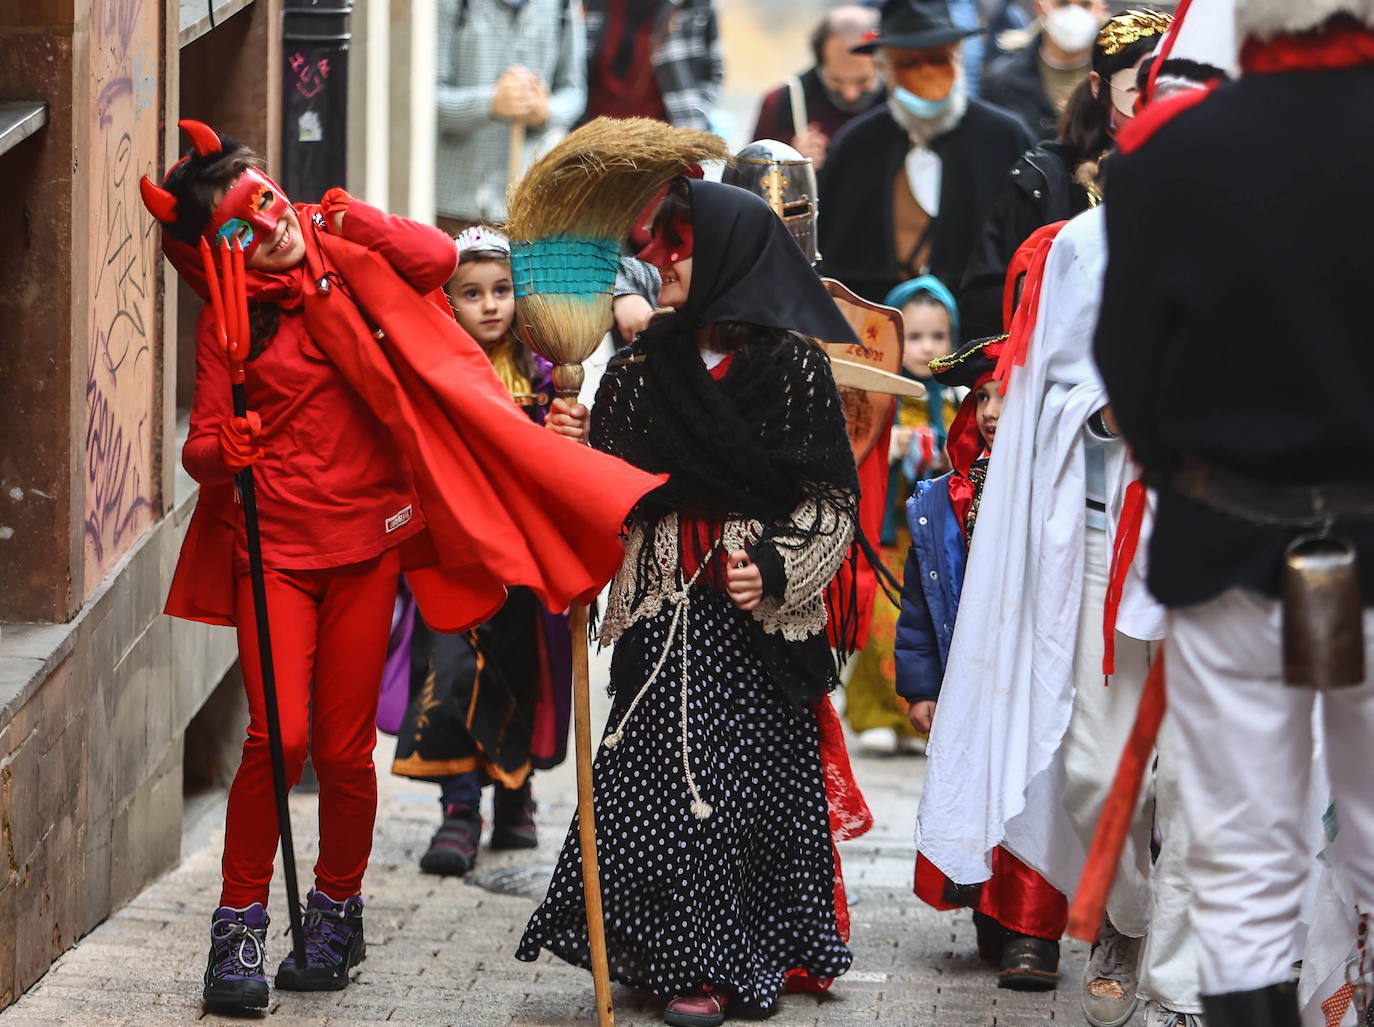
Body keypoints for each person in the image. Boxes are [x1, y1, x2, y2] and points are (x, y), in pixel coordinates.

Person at [141, 122, 659, 1014]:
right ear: (216, 256)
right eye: (240, 226)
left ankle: (337, 910)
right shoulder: (230, 328)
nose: (266, 227)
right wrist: (224, 449)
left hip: (367, 543)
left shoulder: (341, 252)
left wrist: (350, 216)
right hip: (274, 553)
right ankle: (237, 928)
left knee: (344, 751)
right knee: (280, 739)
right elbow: (198, 448)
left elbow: (434, 257)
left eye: (264, 200)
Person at [518, 178, 863, 1027]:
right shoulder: (638, 372)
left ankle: (742, 950)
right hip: (664, 613)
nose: (659, 260)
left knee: (743, 795)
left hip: (757, 625)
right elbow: (616, 492)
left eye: (680, 245)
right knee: (667, 792)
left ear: (735, 262)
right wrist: (573, 450)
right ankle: (686, 964)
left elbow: (830, 500)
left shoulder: (796, 371)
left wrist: (777, 569)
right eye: (659, 244)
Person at [1093, 3, 1374, 1024]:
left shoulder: (1173, 152)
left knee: (1244, 870)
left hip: (1229, 542)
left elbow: (1127, 362)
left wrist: (1194, 473)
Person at [895, 332, 1075, 990]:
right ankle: (990, 912)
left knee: (1035, 792)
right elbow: (918, 608)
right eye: (984, 396)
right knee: (975, 792)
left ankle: (1034, 930)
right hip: (970, 679)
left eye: (1009, 395)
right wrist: (920, 685)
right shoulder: (937, 502)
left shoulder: (1058, 494)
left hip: (1038, 676)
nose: (995, 411)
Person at [390, 227, 571, 876]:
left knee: (518, 677)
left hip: (522, 561)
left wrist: (565, 428)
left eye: (502, 290)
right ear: (449, 300)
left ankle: (515, 796)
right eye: (473, 293)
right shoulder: (431, 368)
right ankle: (459, 808)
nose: (491, 305)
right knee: (450, 677)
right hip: (452, 556)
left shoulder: (548, 375)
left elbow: (560, 464)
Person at [959, 7, 1171, 341]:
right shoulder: (1045, 180)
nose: (1152, 108)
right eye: (1135, 92)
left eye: (1167, 91)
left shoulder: (1205, 177)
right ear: (1098, 87)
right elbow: (984, 298)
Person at [818, 0, 1035, 313]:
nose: (926, 75)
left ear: (958, 59)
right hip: (880, 336)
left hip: (981, 331)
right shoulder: (857, 145)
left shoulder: (1004, 138)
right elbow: (835, 256)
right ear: (884, 69)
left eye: (937, 59)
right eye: (909, 63)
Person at [844, 276, 962, 756]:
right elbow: (852, 449)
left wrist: (945, 454)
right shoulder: (877, 396)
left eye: (938, 337)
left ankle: (911, 714)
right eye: (914, 337)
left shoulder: (955, 401)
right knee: (882, 625)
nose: (927, 348)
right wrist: (887, 448)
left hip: (930, 542)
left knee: (925, 626)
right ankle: (874, 713)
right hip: (885, 535)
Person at [435, 0, 587, 232]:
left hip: (526, 209)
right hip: (450, 207)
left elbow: (574, 92)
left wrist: (546, 112)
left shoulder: (563, 5)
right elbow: (423, 97)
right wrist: (490, 103)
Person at [751, 5, 885, 171]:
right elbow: (749, 182)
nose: (850, 94)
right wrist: (790, 165)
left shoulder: (905, 102)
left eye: (863, 81)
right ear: (820, 66)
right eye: (836, 81)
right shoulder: (782, 103)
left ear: (884, 66)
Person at [581, 0, 722, 130]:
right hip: (592, 132)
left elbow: (713, 71)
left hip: (666, 137)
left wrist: (694, 116)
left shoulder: (695, 4)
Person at [981, 0, 1108, 140]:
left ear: (1101, 9)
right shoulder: (1003, 82)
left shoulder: (1115, 78)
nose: (1074, 13)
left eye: (1085, 5)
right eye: (1062, 4)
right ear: (1040, 7)